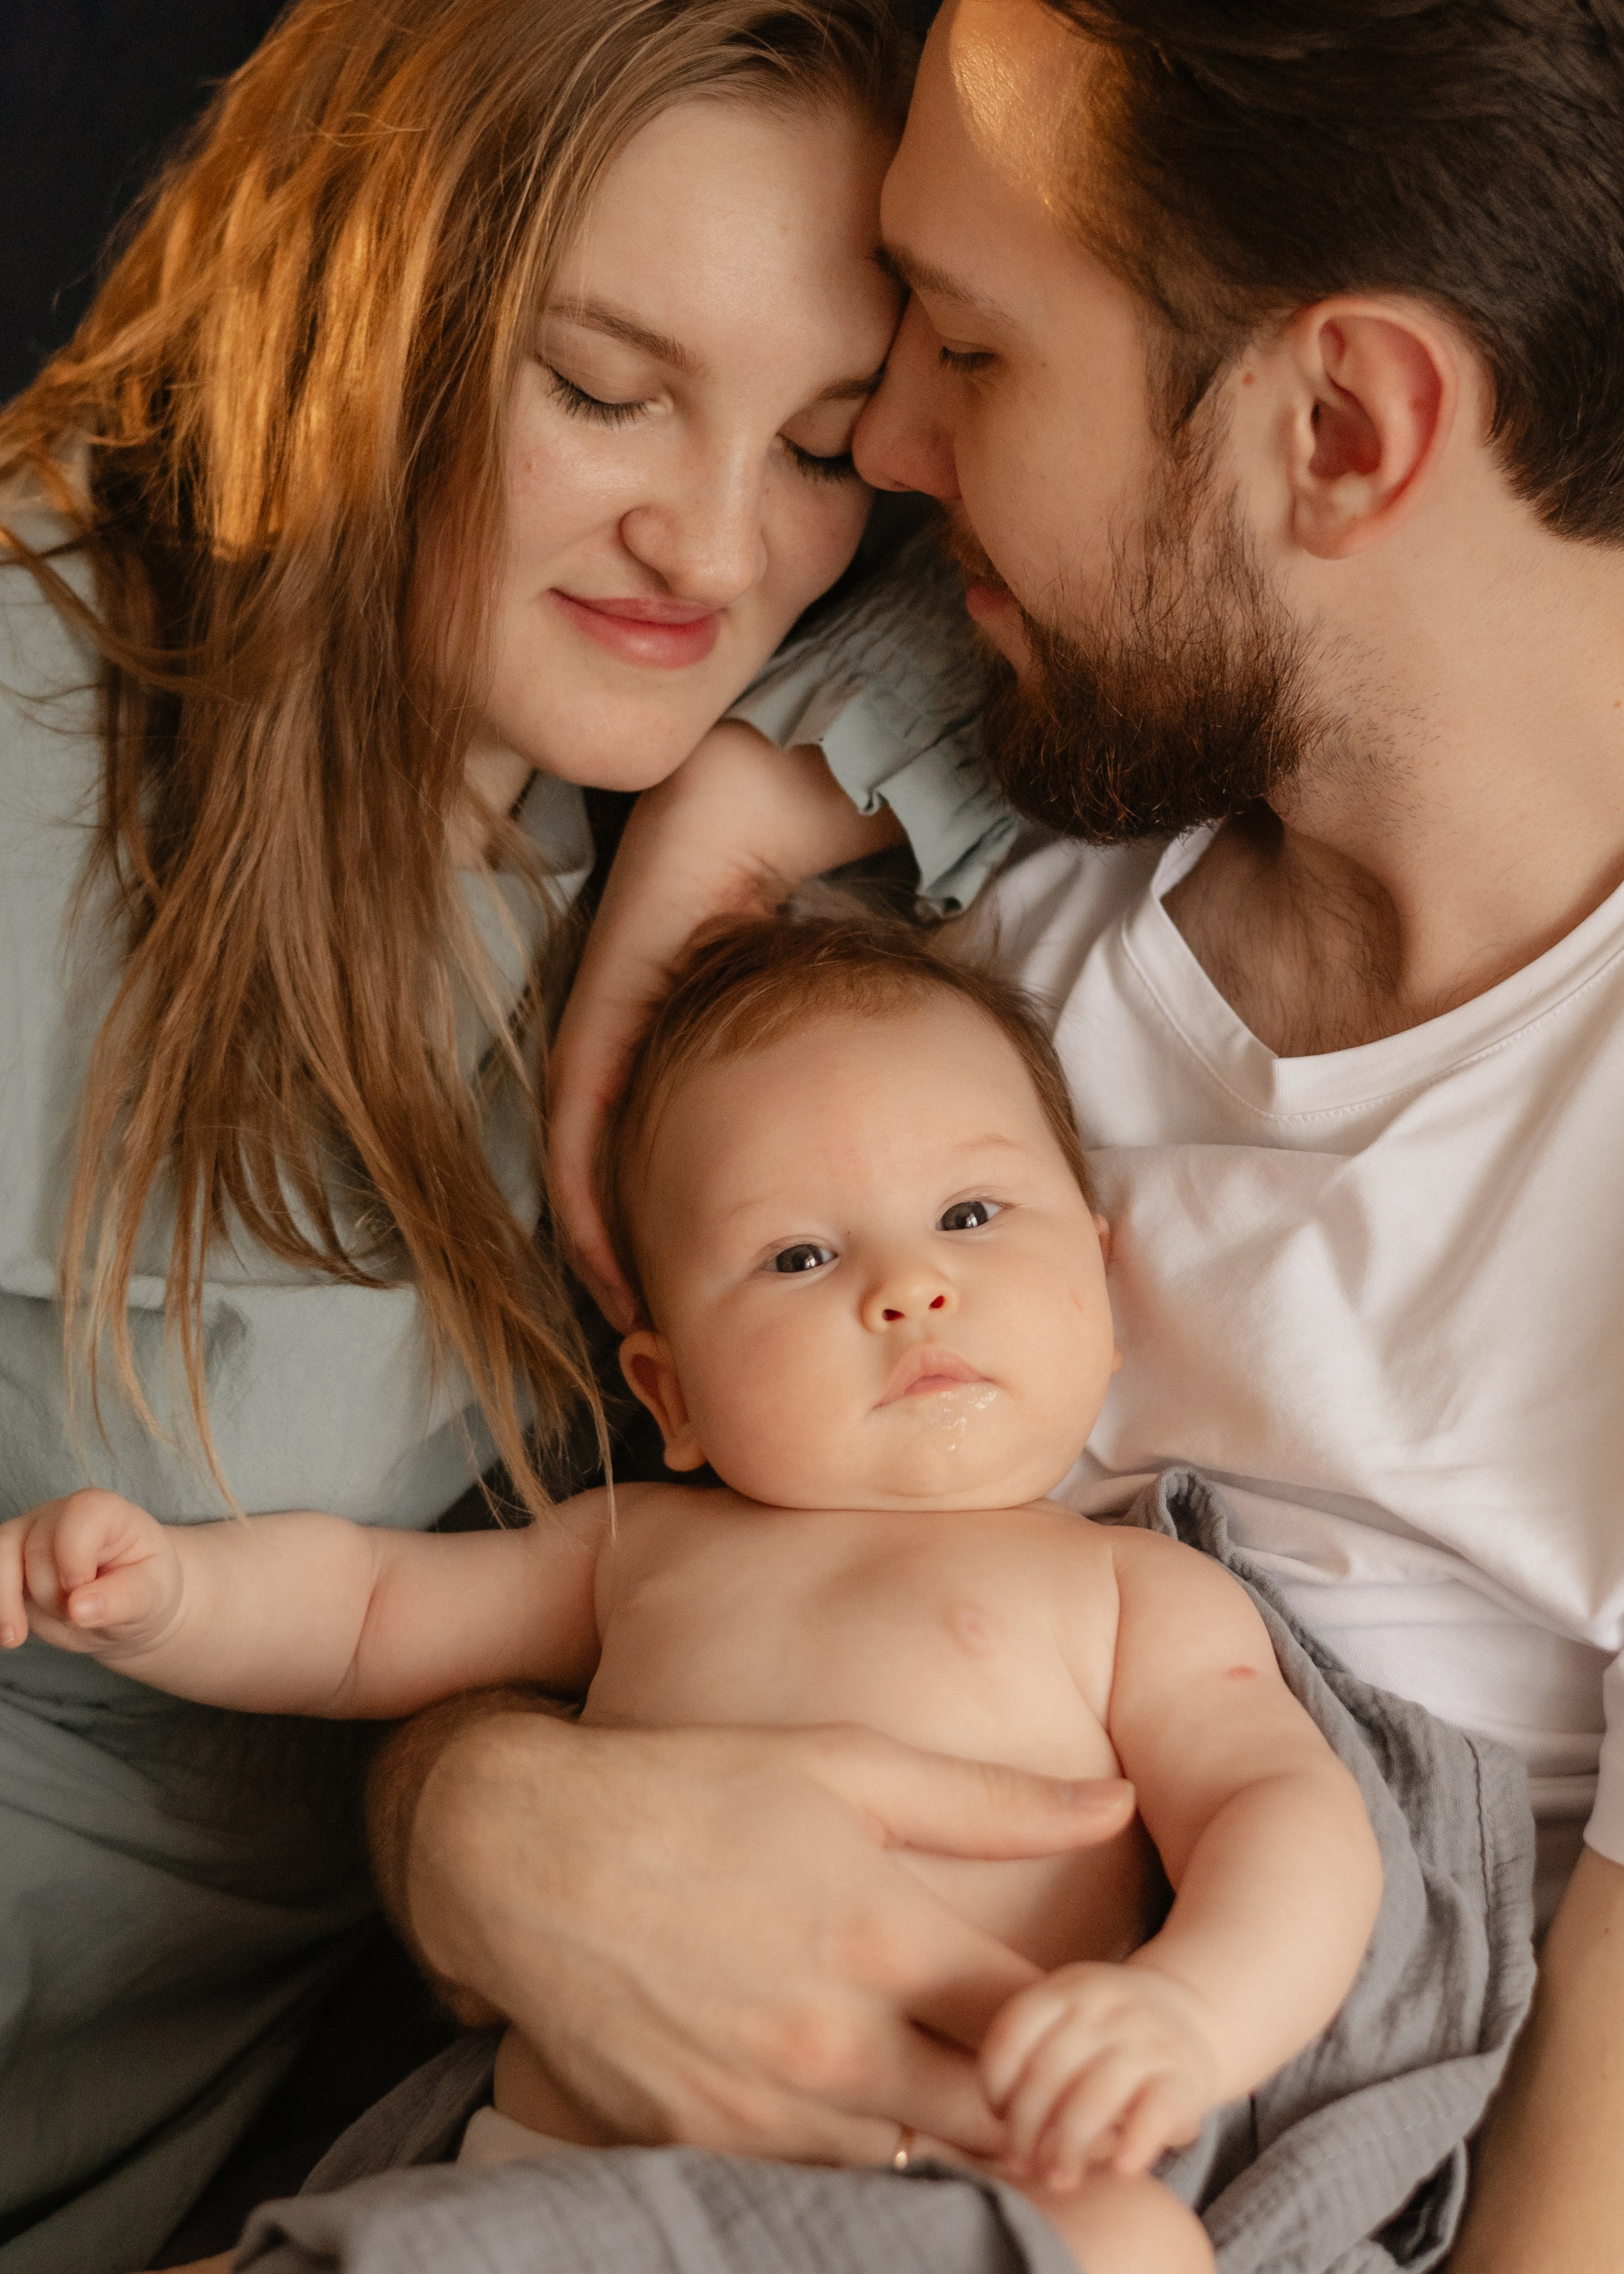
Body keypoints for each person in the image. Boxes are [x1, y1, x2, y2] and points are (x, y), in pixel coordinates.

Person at [379, 1, 1624, 2270]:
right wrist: (474, 1806)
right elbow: (601, 1589)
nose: (889, 438)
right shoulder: (976, 889)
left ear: (1341, 425)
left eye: (966, 345)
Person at [0, 3, 1053, 2264]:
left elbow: (1153, 580)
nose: (711, 541)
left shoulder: (670, 845)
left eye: (822, 437)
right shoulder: (41, 712)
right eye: (601, 387)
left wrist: (749, 800)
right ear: (347, 292)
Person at [1, 914, 1394, 2274]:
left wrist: (1186, 2021)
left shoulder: (1132, 1589)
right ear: (667, 1394)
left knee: (1131, 2242)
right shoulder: (642, 1549)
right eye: (799, 1255)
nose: (908, 1287)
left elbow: (1278, 1815)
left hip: (923, 2192)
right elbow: (368, 1608)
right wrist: (171, 1591)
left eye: (970, 1213)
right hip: (546, 2201)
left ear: (1100, 1281)